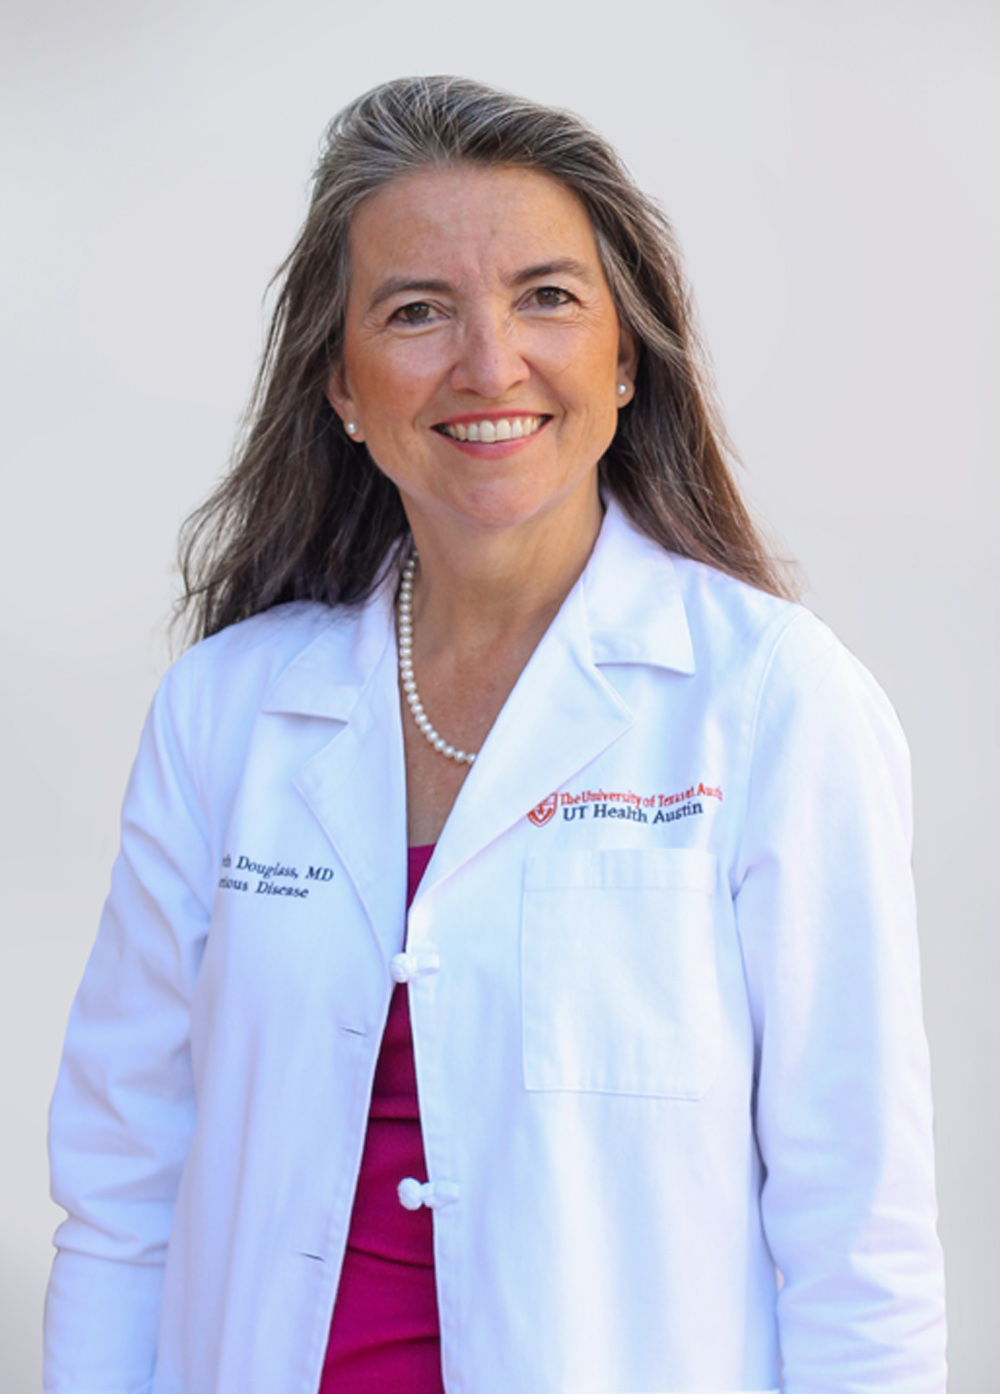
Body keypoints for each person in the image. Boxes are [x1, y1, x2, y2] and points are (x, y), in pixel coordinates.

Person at [44, 75, 946, 1394]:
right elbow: (125, 1187)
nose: (488, 361)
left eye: (547, 297)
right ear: (343, 385)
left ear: (626, 356)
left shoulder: (769, 703)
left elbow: (857, 1232)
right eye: (417, 311)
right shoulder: (224, 717)